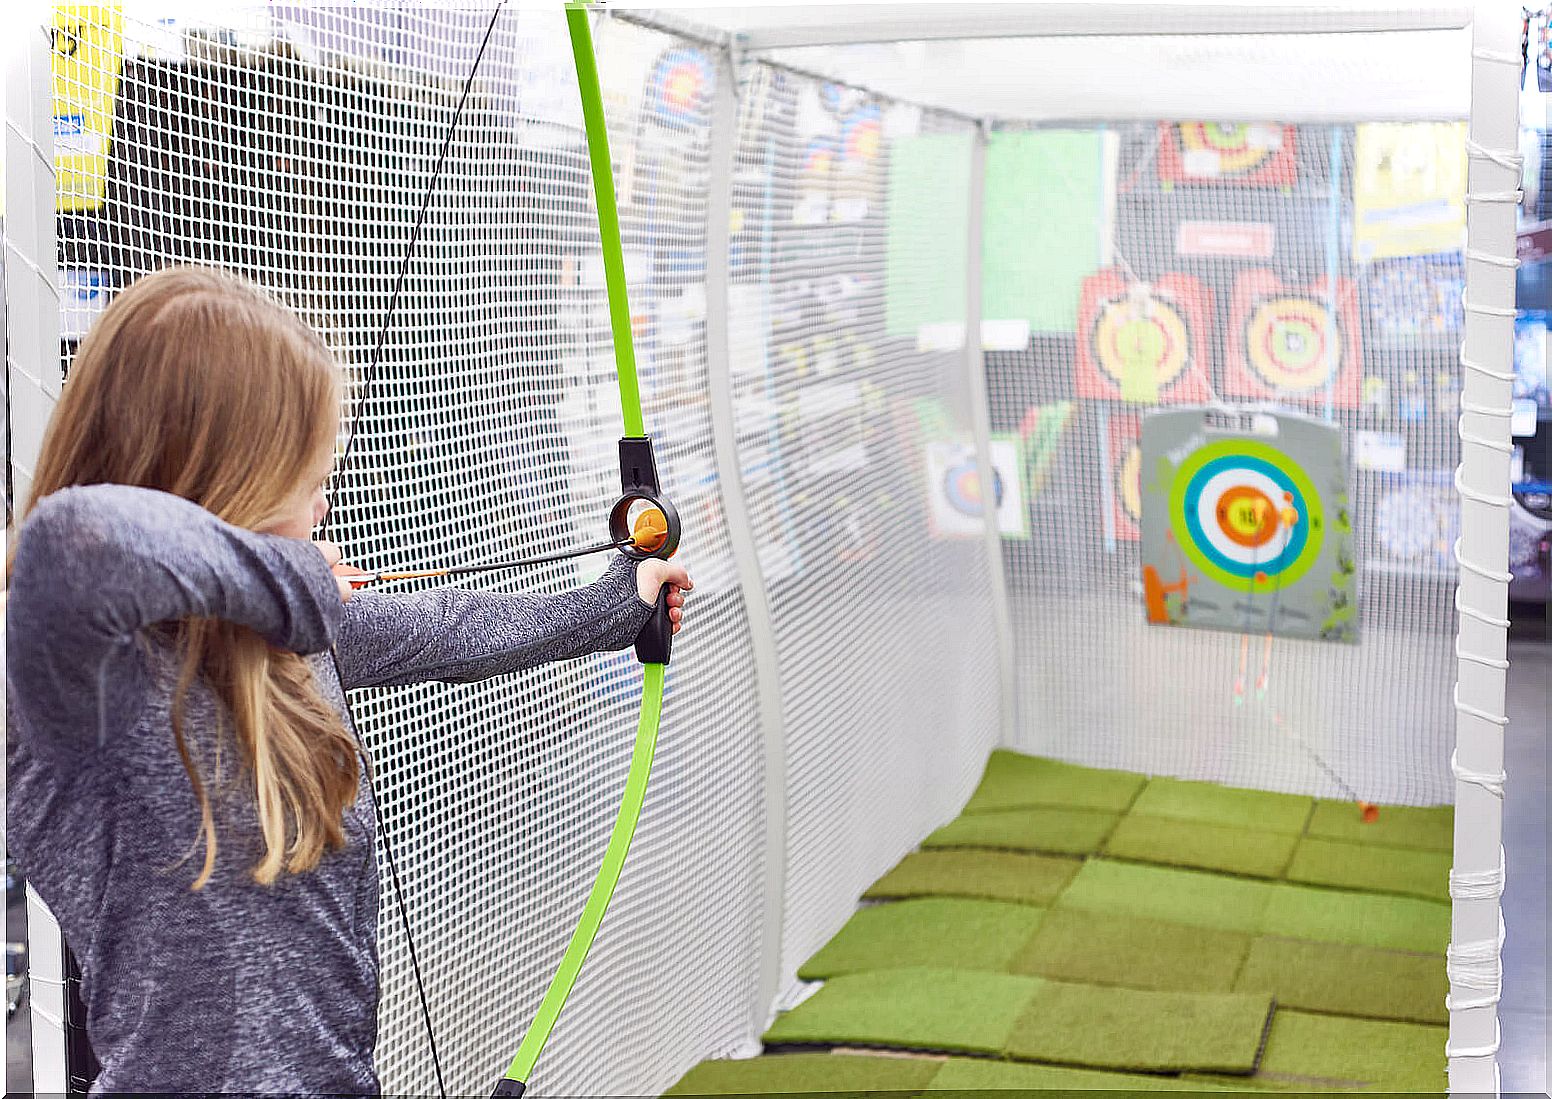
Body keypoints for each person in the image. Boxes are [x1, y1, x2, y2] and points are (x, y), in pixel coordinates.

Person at [5, 265, 690, 1092]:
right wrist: (291, 579)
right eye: (314, 477)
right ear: (235, 470)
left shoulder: (284, 644)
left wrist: (621, 602)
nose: (324, 509)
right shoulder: (77, 677)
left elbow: (454, 626)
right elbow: (71, 539)